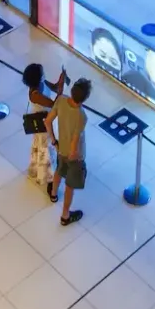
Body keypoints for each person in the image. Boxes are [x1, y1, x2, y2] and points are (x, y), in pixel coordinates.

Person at [46, 78, 92, 224]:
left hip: (61, 149)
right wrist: (75, 156)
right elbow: (75, 140)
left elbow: (47, 121)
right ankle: (65, 215)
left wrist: (54, 142)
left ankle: (53, 194)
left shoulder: (60, 101)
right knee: (70, 186)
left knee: (59, 171)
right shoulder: (81, 115)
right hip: (74, 156)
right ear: (85, 98)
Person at [22, 63, 68, 191]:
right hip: (43, 122)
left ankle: (39, 170)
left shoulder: (40, 83)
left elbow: (53, 87)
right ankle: (48, 179)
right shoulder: (35, 94)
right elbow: (55, 104)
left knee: (42, 146)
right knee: (45, 147)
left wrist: (60, 80)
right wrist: (61, 88)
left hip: (46, 118)